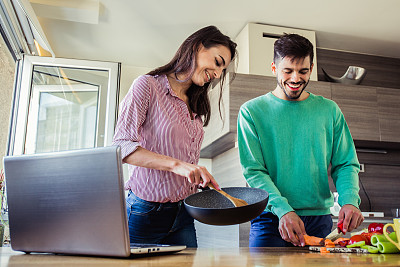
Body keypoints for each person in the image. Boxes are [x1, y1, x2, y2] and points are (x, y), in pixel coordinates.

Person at [112, 25, 237, 247]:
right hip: (145, 213)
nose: (218, 75)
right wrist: (179, 166)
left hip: (183, 214)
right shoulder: (148, 86)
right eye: (218, 63)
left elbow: (184, 161)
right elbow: (121, 146)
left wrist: (197, 178)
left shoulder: (195, 104)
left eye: (222, 71)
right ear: (198, 47)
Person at [237, 33, 364, 247]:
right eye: (288, 71)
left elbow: (345, 164)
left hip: (319, 221)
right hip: (270, 219)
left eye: (303, 71)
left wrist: (350, 200)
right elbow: (253, 171)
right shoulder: (251, 112)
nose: (296, 79)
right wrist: (283, 209)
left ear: (311, 69)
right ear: (274, 68)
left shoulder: (329, 110)